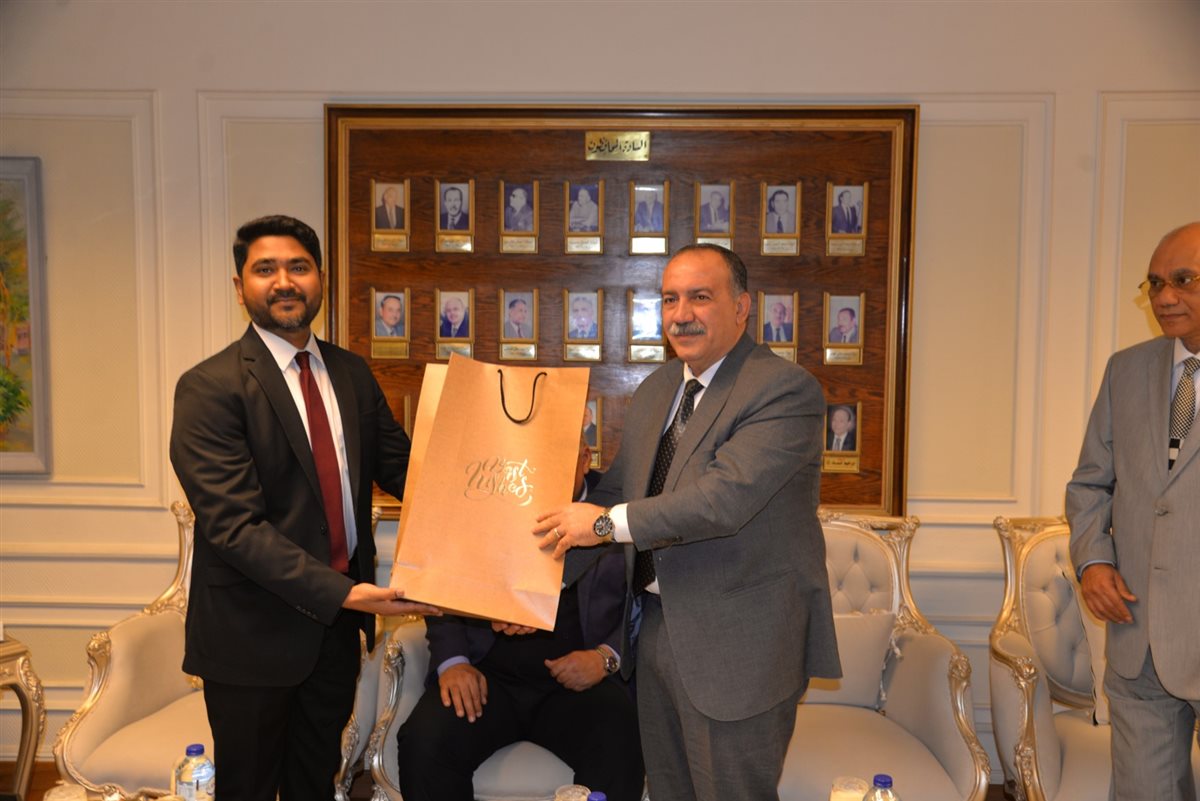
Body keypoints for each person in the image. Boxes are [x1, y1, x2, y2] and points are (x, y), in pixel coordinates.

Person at [533, 243, 839, 801]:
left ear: (742, 307)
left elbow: (721, 500)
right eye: (670, 299)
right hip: (654, 630)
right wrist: (527, 582)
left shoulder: (782, 390)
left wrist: (601, 525)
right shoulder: (658, 390)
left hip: (739, 643)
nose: (681, 314)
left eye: (700, 297)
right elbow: (616, 493)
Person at [169, 215, 440, 800]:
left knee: (317, 785)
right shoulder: (210, 387)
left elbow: (411, 473)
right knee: (248, 790)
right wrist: (345, 593)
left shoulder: (351, 373)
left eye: (299, 267)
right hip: (250, 638)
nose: (284, 281)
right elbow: (235, 528)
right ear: (239, 287)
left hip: (334, 637)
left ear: (320, 280)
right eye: (265, 269)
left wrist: (505, 492)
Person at [395, 437, 644, 801]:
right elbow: (443, 581)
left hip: (581, 680)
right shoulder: (485, 496)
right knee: (424, 743)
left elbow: (643, 601)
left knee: (620, 742)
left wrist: (605, 658)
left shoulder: (615, 510)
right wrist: (453, 662)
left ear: (585, 459)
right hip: (487, 675)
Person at [1066, 221, 1200, 801]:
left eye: (1183, 280)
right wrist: (1094, 561)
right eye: (1155, 283)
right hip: (1137, 639)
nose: (1165, 297)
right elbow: (1089, 484)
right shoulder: (1127, 369)